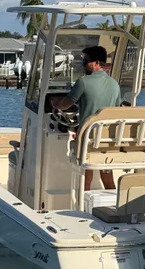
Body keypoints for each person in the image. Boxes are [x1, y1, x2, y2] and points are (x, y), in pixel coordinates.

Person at [51, 45, 122, 191]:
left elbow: (65, 105)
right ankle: (114, 206)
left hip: (88, 140)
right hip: (107, 140)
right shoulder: (115, 85)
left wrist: (55, 103)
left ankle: (83, 206)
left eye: (85, 61)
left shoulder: (83, 82)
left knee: (86, 176)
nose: (83, 64)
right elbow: (116, 108)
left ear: (96, 63)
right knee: (108, 178)